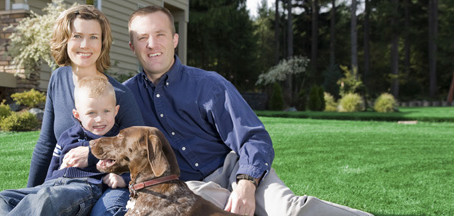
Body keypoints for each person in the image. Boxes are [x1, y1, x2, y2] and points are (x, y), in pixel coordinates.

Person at [120, 5, 373, 216]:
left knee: (288, 211)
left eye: (160, 34)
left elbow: (253, 138)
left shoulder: (209, 85)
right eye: (142, 38)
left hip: (236, 169)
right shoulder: (126, 96)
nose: (152, 44)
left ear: (175, 40)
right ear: (133, 46)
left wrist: (246, 183)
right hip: (189, 188)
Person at [0, 4, 142, 216]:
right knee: (3, 201)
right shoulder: (57, 79)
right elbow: (46, 144)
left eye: (94, 37)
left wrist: (93, 156)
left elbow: (140, 150)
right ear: (65, 40)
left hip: (107, 184)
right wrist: (33, 193)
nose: (85, 44)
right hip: (66, 183)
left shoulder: (118, 94)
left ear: (102, 43)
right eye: (77, 36)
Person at [0, 76, 129, 215]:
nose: (100, 119)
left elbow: (134, 163)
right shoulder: (66, 136)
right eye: (91, 113)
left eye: (106, 111)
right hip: (53, 186)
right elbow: (53, 166)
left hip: (84, 188)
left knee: (49, 198)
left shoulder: (117, 139)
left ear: (115, 111)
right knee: (1, 199)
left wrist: (123, 179)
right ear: (77, 115)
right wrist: (45, 185)